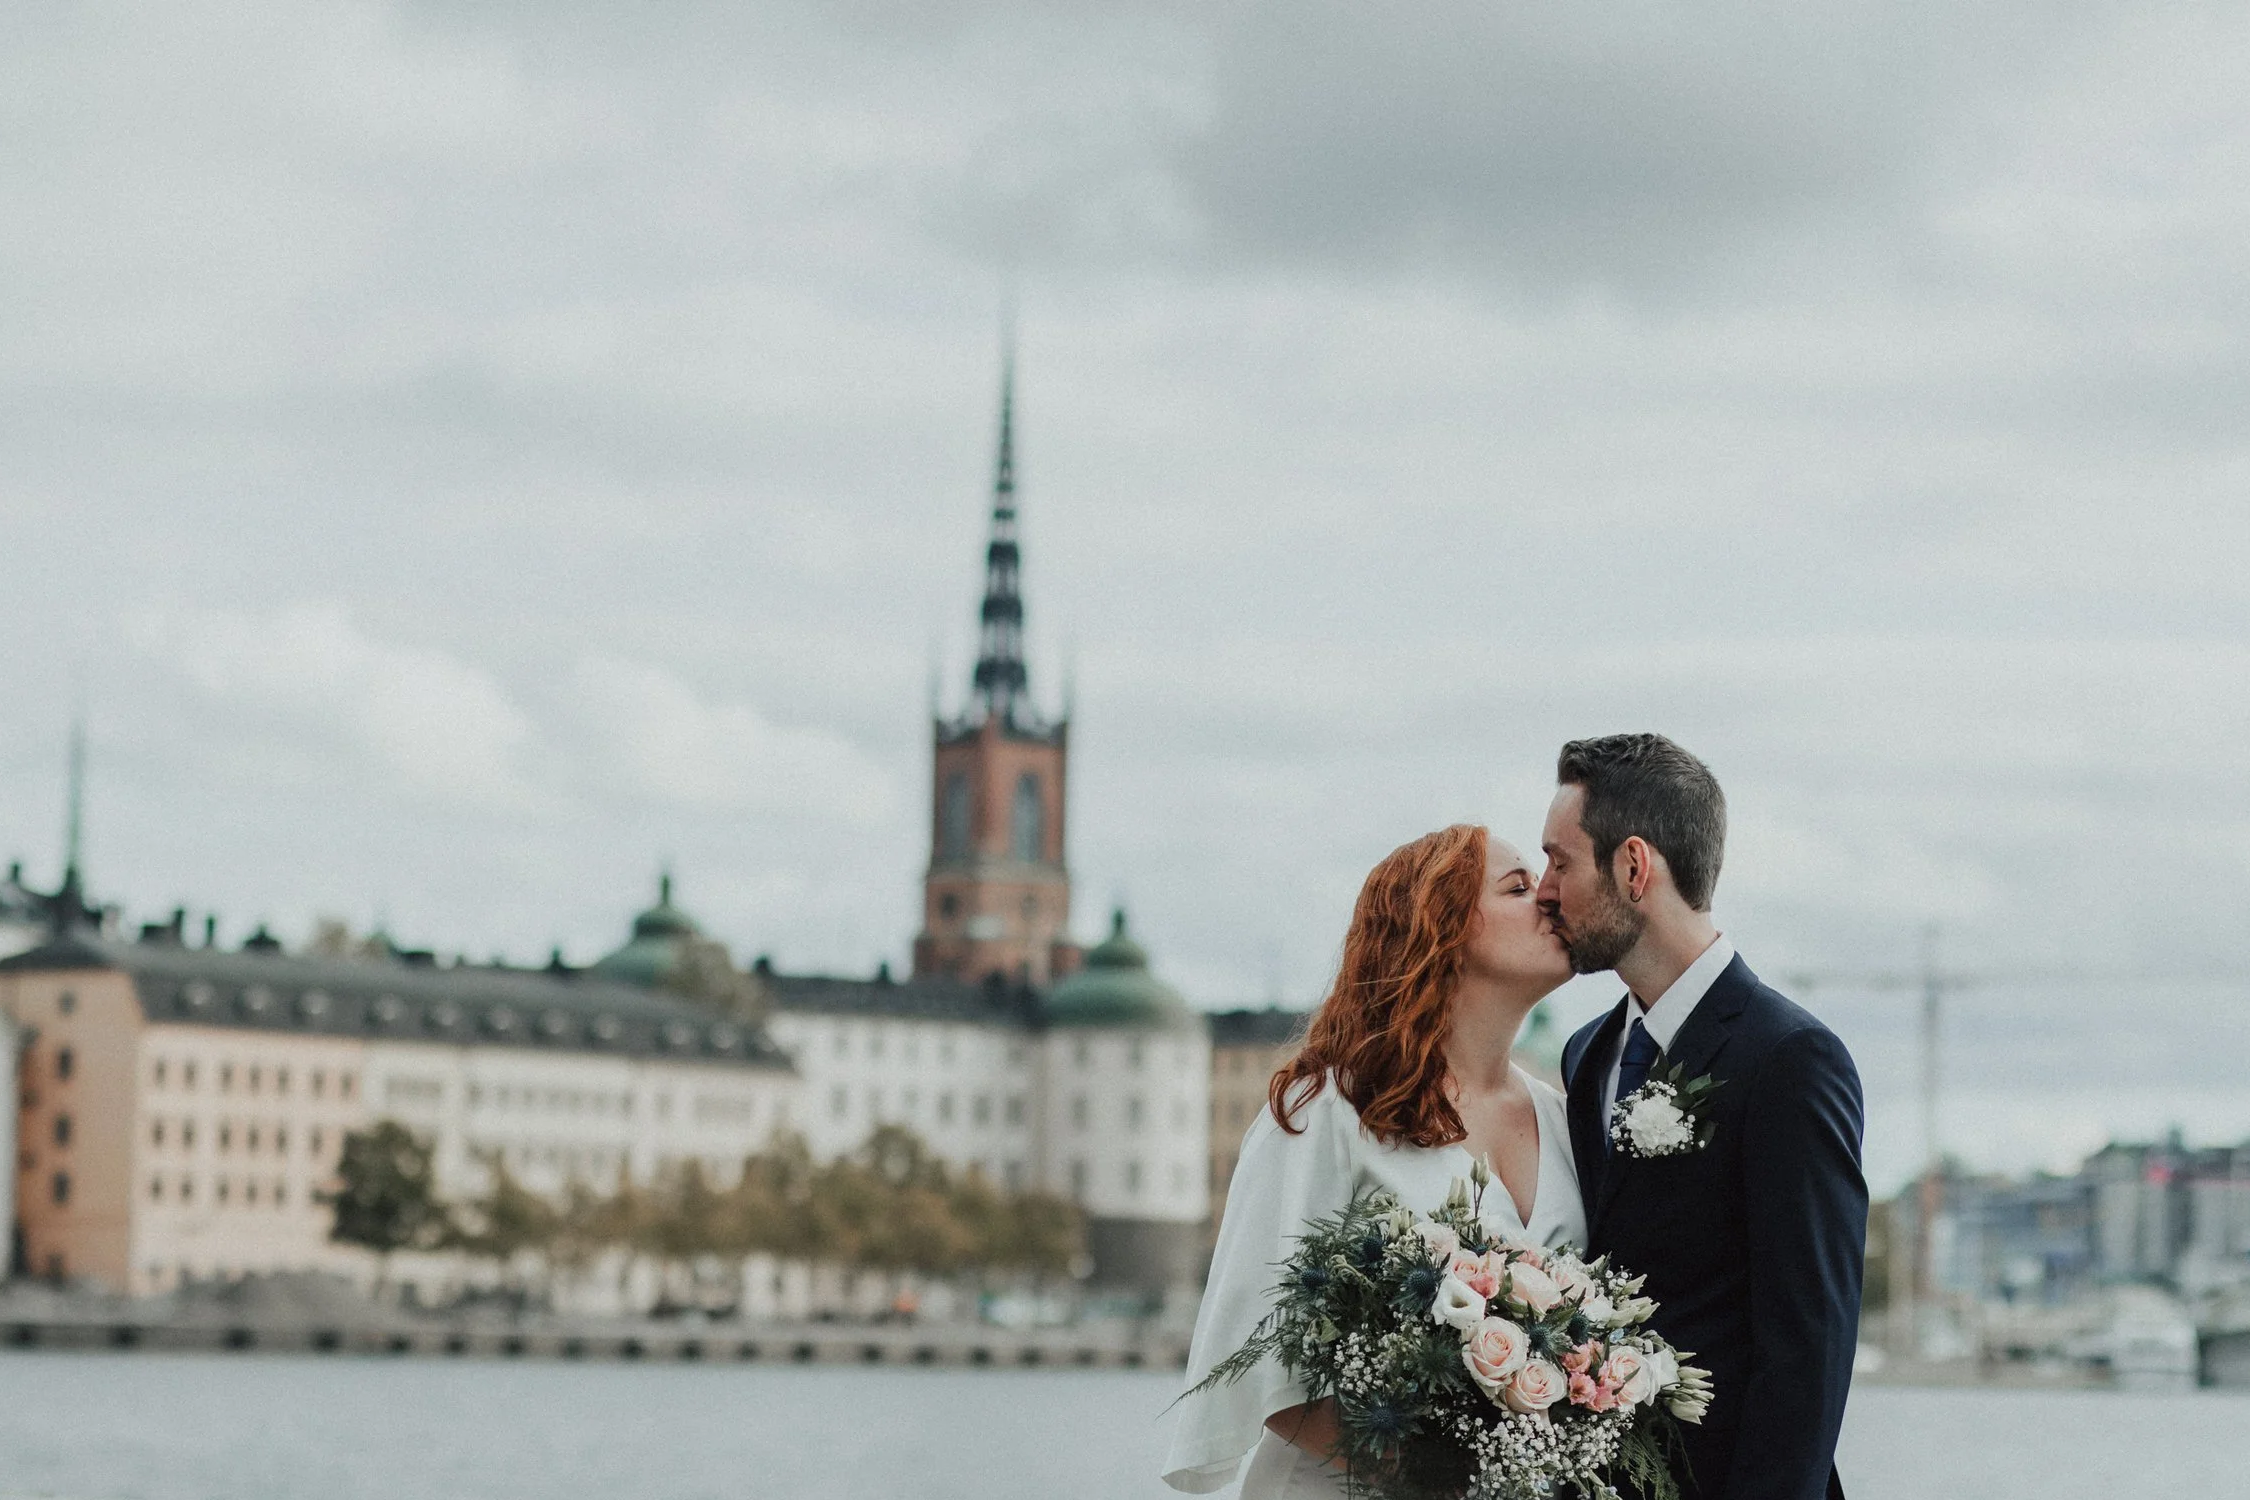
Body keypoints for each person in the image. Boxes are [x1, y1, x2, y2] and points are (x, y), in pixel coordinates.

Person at [1164, 824, 1584, 1499]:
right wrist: (1445, 1476)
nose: (1553, 900)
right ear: (1441, 926)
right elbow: (1266, 1355)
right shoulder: (1326, 1112)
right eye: (1518, 887)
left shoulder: (1564, 1122)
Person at [1540, 734, 1866, 1500]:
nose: (1546, 890)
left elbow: (1809, 1349)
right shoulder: (1587, 1056)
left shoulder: (1789, 1058)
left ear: (1632, 867)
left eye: (1561, 862)